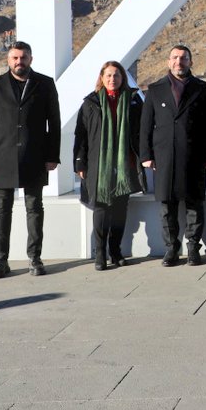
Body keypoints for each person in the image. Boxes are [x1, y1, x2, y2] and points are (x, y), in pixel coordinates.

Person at [0, 41, 61, 279]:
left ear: (30, 59)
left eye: (23, 58)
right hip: (1, 157)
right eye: (15, 58)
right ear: (8, 60)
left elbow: (53, 123)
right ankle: (1, 261)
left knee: (34, 208)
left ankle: (35, 259)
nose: (19, 62)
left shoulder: (44, 84)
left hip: (34, 156)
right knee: (2, 209)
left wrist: (52, 156)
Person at [140, 45, 206, 267]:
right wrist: (146, 154)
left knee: (195, 204)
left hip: (194, 156)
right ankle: (171, 249)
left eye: (183, 58)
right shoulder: (155, 89)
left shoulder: (202, 89)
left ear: (190, 62)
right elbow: (146, 126)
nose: (179, 62)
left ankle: (193, 248)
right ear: (168, 61)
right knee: (167, 207)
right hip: (164, 158)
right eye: (174, 58)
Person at [74, 61, 146, 271]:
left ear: (122, 78)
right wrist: (80, 161)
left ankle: (115, 251)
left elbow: (143, 131)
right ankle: (100, 253)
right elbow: (81, 135)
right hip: (98, 165)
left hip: (125, 164)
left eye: (116, 75)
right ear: (101, 78)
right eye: (108, 75)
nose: (112, 79)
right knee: (101, 209)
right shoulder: (91, 103)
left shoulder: (133, 101)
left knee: (120, 210)